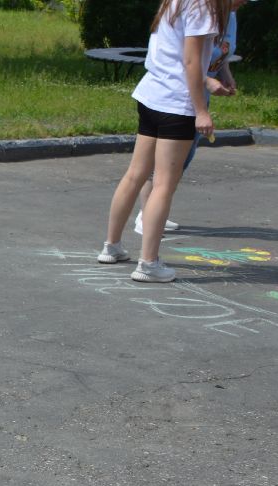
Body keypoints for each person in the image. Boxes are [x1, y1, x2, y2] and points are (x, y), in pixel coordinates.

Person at [99, 0, 231, 283]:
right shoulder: (203, 6)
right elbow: (191, 61)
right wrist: (201, 110)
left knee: (135, 174)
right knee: (163, 185)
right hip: (176, 102)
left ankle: (112, 246)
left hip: (151, 94)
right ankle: (148, 263)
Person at [131, 0, 251, 236]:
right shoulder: (199, 9)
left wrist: (224, 73)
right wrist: (204, 92)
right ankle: (146, 221)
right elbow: (185, 59)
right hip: (177, 98)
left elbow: (217, 52)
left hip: (188, 97)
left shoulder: (228, 14)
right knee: (158, 171)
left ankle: (136, 228)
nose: (244, 3)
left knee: (175, 165)